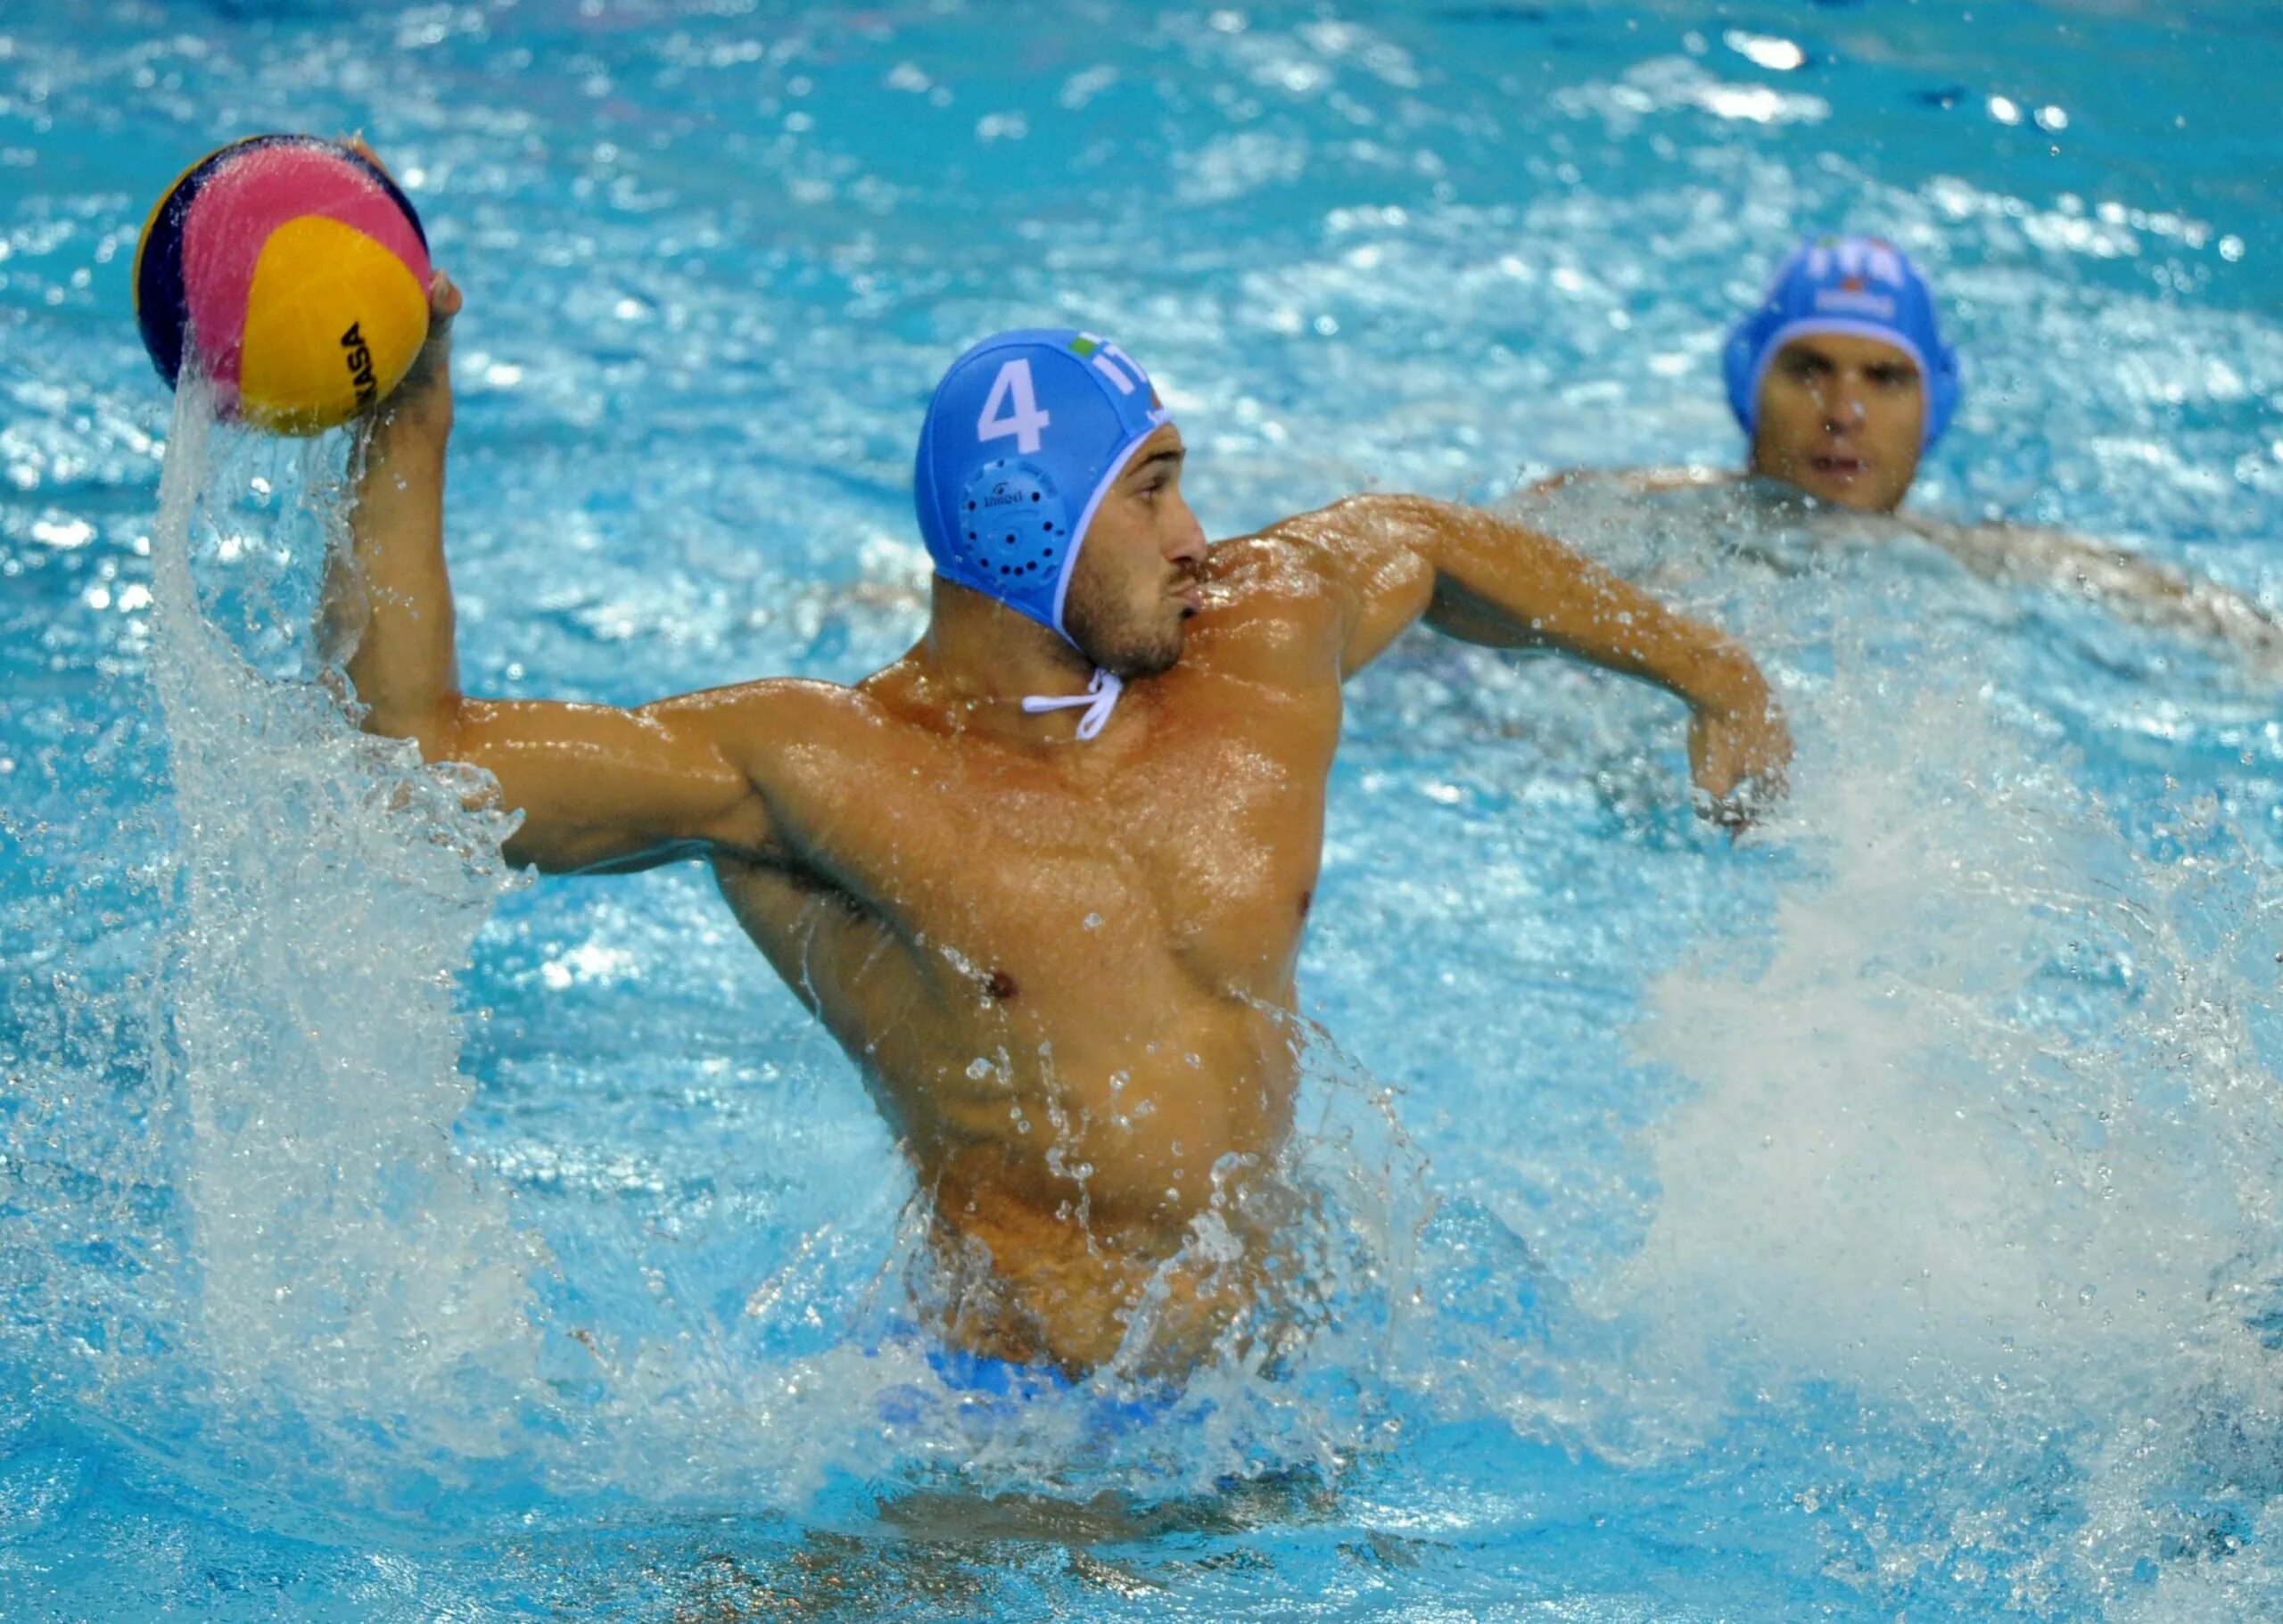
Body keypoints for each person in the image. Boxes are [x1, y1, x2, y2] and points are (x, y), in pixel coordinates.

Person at [330, 269, 1791, 1381]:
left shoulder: (1253, 646)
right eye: (1150, 490)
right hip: (1015, 1423)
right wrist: (412, 423)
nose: (1195, 536)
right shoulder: (825, 769)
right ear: (1025, 515)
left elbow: (1431, 539)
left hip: (1282, 1386)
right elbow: (421, 761)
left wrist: (1711, 673)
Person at [1534, 234, 2283, 662]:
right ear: (1748, 383)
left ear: (1934, 405)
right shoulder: (1622, 514)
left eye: (1885, 378)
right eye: (1809, 371)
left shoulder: (1988, 561)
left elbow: (2217, 624)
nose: (1844, 411)